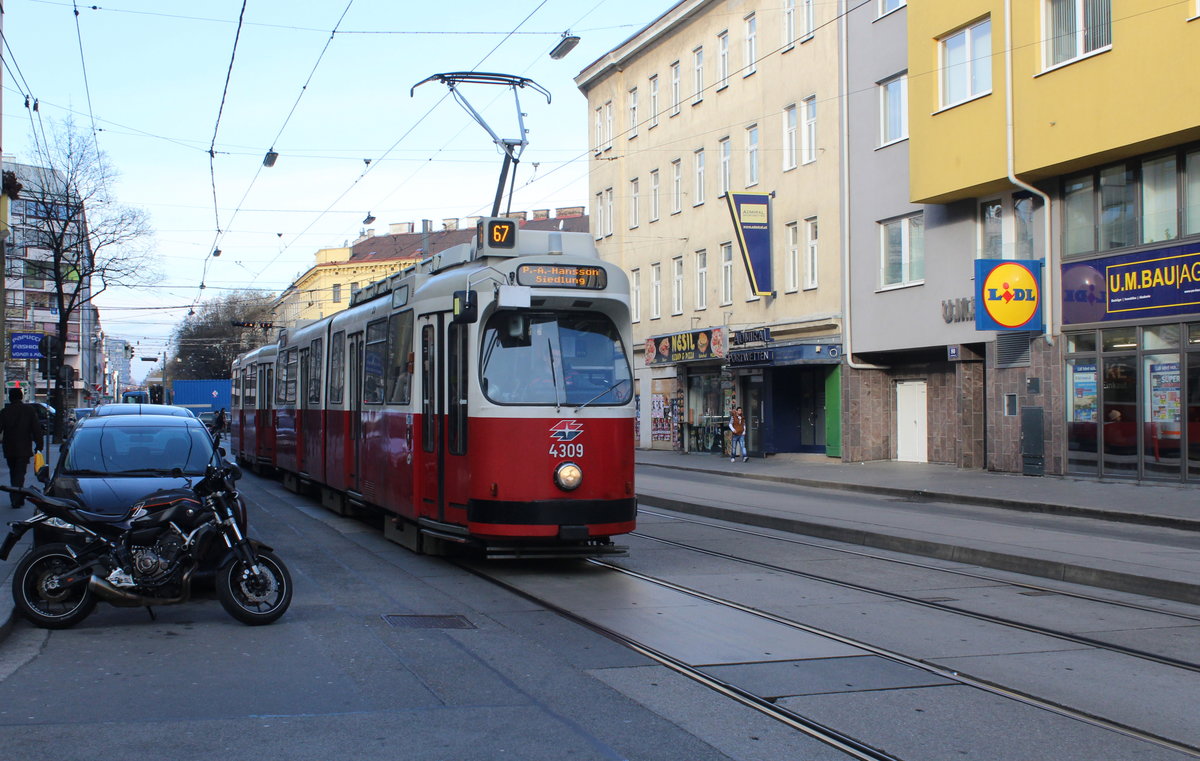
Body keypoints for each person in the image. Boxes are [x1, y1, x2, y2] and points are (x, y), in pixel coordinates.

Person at [0, 387, 45, 508]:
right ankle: (17, 497)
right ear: (21, 397)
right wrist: (39, 445)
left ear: (10, 398)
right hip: (24, 448)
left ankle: (16, 497)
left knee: (13, 472)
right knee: (20, 474)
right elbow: (36, 429)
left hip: (9, 448)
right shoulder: (29, 410)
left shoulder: (5, 411)